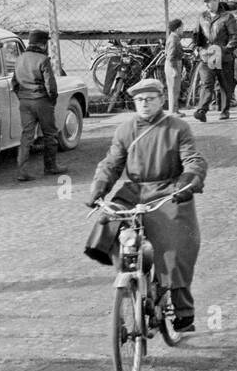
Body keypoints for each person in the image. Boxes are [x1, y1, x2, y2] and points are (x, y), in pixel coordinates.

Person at [84, 77, 207, 334]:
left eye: (150, 99)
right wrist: (98, 190)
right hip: (134, 191)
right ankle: (127, 284)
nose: (144, 104)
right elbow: (112, 163)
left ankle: (183, 311)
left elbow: (193, 159)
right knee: (109, 223)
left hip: (168, 191)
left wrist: (187, 183)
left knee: (176, 248)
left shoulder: (177, 127)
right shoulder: (125, 130)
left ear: (162, 99)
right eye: (139, 100)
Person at [11, 28, 67, 182]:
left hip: (24, 102)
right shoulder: (43, 60)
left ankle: (22, 172)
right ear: (43, 44)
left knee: (26, 136)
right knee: (50, 134)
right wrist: (52, 100)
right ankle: (50, 166)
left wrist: (22, 96)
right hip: (42, 101)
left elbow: (14, 83)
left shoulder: (20, 58)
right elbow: (51, 86)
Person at [192, 0, 237, 122]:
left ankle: (225, 110)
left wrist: (224, 50)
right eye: (205, 2)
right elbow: (197, 36)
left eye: (210, 1)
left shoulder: (227, 17)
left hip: (224, 57)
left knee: (225, 84)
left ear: (217, 1)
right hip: (207, 56)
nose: (207, 5)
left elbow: (236, 37)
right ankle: (202, 110)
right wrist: (198, 49)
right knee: (207, 82)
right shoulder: (202, 17)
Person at [162, 18, 185, 115]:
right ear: (177, 29)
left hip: (174, 64)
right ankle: (172, 111)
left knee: (176, 88)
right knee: (173, 89)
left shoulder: (173, 38)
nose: (183, 30)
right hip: (173, 65)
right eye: (182, 28)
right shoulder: (174, 39)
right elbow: (171, 57)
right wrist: (175, 69)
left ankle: (175, 109)